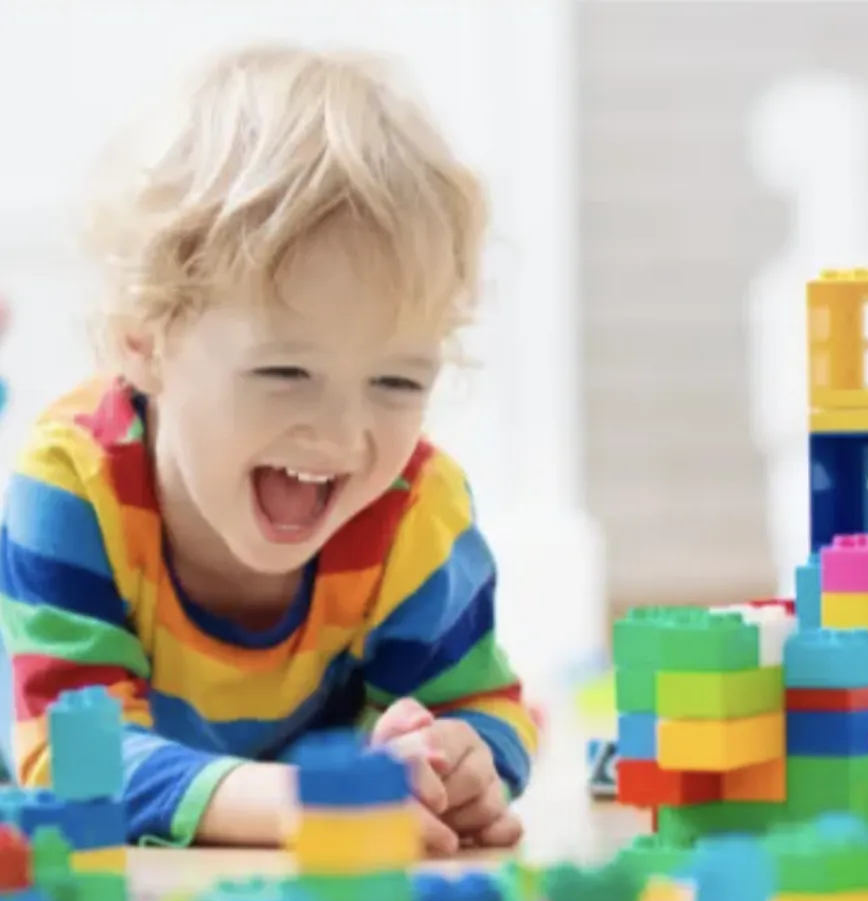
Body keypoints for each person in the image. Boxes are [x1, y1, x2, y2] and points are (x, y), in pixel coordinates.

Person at [0, 44, 537, 854]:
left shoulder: (413, 511)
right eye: (287, 370)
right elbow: (73, 761)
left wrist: (462, 763)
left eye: (396, 382)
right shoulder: (75, 485)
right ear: (145, 344)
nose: (343, 435)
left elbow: (487, 709)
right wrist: (303, 801)